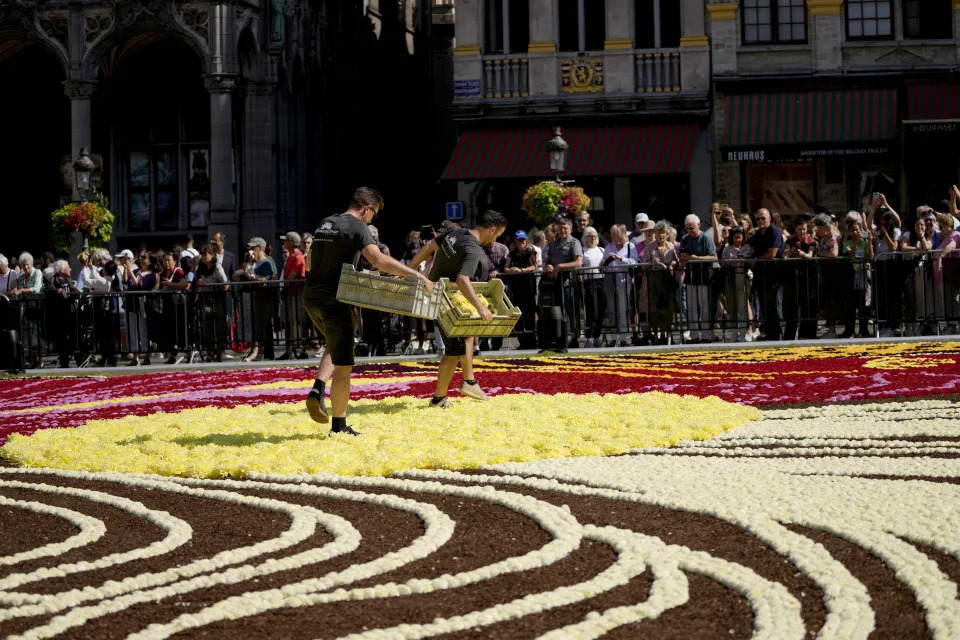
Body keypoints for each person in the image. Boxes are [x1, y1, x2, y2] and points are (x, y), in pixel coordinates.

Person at [302, 187, 433, 435]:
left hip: (311, 297)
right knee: (344, 365)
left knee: (337, 342)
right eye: (374, 214)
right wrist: (415, 273)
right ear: (366, 208)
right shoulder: (357, 226)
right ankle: (337, 424)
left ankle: (318, 389)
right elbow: (378, 259)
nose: (373, 219)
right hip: (334, 299)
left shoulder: (326, 223)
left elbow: (309, 263)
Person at [410, 209, 505, 407]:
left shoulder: (456, 232)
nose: (494, 240)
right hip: (446, 302)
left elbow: (428, 246)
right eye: (497, 235)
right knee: (453, 351)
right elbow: (463, 279)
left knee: (465, 338)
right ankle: (442, 397)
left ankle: (468, 382)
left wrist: (411, 269)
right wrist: (480, 308)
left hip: (439, 297)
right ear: (492, 229)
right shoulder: (472, 248)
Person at [679, 214, 718, 343]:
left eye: (692, 228)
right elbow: (682, 256)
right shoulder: (685, 238)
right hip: (690, 277)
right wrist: (688, 258)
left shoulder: (706, 238)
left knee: (704, 306)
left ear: (698, 226)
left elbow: (713, 256)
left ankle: (706, 334)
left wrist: (696, 258)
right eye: (688, 228)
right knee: (691, 307)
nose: (690, 231)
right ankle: (694, 335)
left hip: (704, 276)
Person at [747, 208, 784, 340]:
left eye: (763, 218)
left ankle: (775, 334)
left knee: (773, 304)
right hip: (760, 274)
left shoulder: (775, 232)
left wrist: (757, 259)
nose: (761, 221)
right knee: (763, 304)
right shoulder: (757, 234)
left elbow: (772, 254)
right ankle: (768, 332)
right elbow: (748, 246)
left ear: (769, 218)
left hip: (773, 273)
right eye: (758, 219)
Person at [505, 230, 538, 348]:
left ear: (526, 241)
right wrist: (512, 270)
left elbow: (534, 266)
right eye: (519, 241)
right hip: (516, 287)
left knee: (529, 313)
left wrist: (522, 270)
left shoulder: (530, 252)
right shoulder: (512, 253)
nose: (521, 243)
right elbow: (506, 268)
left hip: (528, 286)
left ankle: (532, 340)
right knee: (518, 313)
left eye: (523, 241)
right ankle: (522, 341)